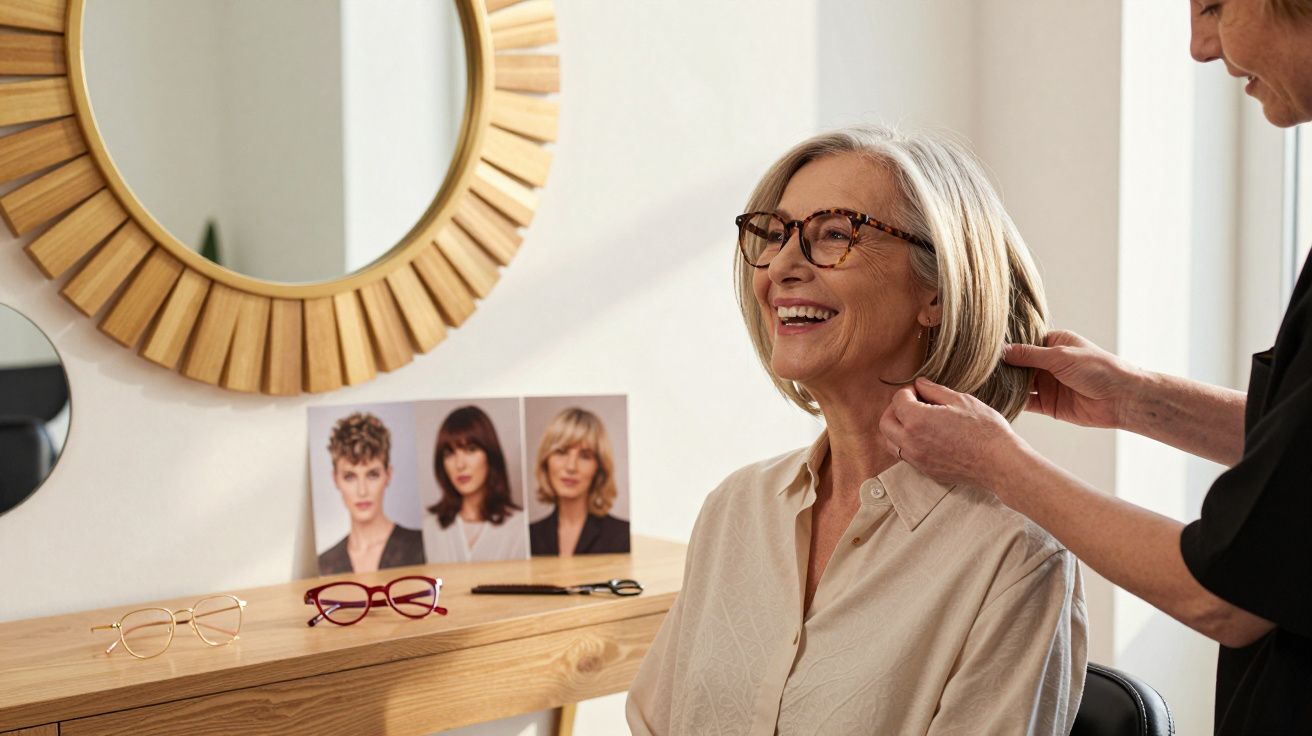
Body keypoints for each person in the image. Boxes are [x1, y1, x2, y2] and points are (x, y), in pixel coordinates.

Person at [880, 2, 1312, 733]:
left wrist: (1003, 467)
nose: (1200, 47)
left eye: (1214, 6)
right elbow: (1298, 464)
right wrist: (1138, 400)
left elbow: (1230, 596)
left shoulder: (1010, 558)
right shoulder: (742, 507)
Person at [627, 126, 1086, 735]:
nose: (782, 267)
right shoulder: (735, 509)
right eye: (775, 234)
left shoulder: (1015, 556)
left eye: (836, 235)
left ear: (939, 293)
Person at [317, 412, 424, 575]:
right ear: (335, 480)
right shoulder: (324, 564)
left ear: (388, 475)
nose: (362, 491)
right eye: (350, 476)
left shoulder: (421, 547)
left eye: (372, 475)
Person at [423, 405, 527, 563]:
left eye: (470, 450)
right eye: (449, 453)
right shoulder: (429, 528)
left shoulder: (520, 527)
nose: (460, 465)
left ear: (490, 455)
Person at [528, 407, 630, 556]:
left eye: (585, 456)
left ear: (599, 468)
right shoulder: (528, 537)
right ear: (546, 461)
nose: (571, 467)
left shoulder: (623, 537)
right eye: (561, 452)